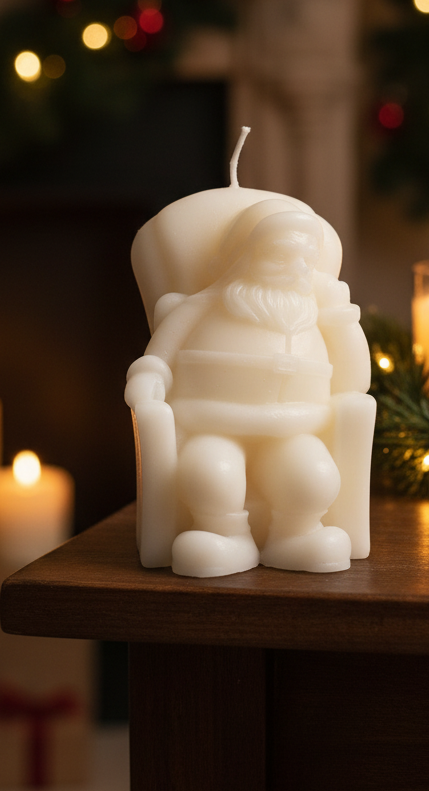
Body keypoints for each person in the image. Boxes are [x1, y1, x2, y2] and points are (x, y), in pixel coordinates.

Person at [124, 203, 371, 576]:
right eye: (281, 256)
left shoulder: (314, 316)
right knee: (210, 475)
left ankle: (297, 535)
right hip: (213, 423)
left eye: (307, 260)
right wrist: (149, 377)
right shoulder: (200, 308)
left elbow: (355, 380)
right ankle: (223, 536)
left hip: (293, 429)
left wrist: (340, 315)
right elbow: (159, 357)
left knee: (313, 478)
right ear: (244, 257)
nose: (297, 269)